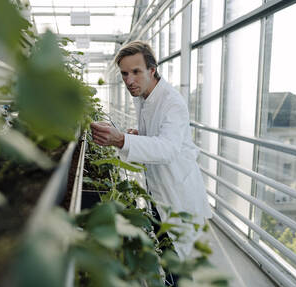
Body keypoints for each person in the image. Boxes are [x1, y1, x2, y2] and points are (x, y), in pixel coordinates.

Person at [90, 40, 212, 260]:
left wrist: (121, 140)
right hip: (158, 190)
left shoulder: (172, 102)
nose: (129, 80)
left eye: (136, 72)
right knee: (166, 253)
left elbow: (168, 149)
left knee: (177, 261)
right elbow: (160, 136)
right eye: (125, 74)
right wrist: (139, 136)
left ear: (152, 70)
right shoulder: (144, 96)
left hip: (176, 195)